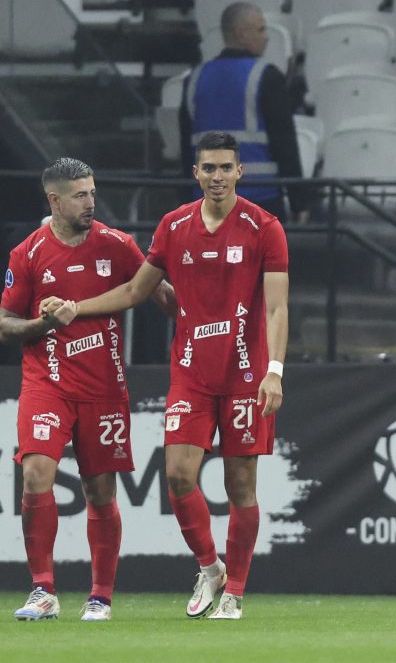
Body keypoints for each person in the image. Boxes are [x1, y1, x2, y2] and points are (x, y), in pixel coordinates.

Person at [42, 131, 289, 620]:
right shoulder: (175, 226)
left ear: (240, 172)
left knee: (240, 487)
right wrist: (76, 308)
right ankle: (210, 566)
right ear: (195, 173)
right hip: (192, 373)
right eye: (208, 168)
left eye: (225, 168)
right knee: (178, 477)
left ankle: (235, 591)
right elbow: (137, 290)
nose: (217, 177)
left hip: (245, 374)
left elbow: (278, 307)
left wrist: (274, 371)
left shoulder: (264, 227)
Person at [0, 157, 175, 622]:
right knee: (36, 474)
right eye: (80, 195)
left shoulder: (118, 245)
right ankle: (43, 591)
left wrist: (196, 282)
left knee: (100, 493)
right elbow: (4, 326)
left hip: (104, 388)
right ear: (54, 200)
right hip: (47, 384)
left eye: (92, 192)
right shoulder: (28, 253)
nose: (90, 202)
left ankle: (100, 597)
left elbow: (163, 298)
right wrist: (43, 322)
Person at [180, 2, 307, 221]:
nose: (266, 37)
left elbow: (184, 148)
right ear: (241, 34)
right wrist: (300, 201)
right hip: (260, 200)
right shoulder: (266, 76)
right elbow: (284, 144)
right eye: (261, 29)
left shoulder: (194, 79)